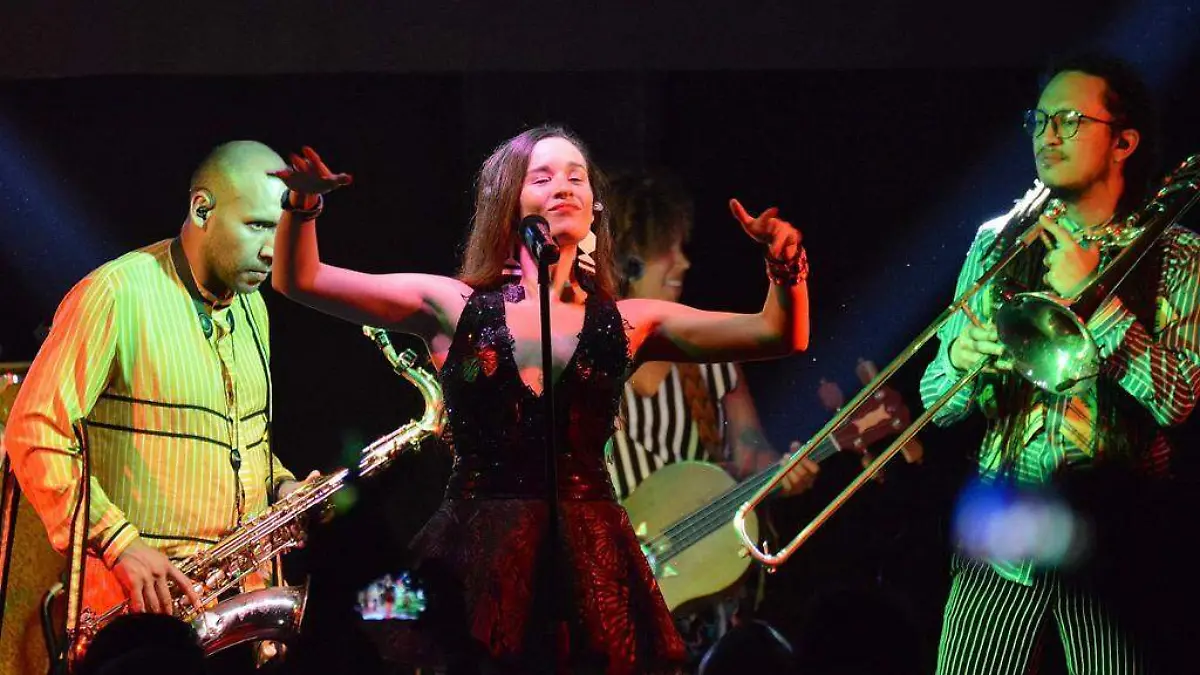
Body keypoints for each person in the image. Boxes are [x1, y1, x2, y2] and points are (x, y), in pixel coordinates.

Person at [269, 124, 810, 674]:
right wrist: (302, 205)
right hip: (476, 553)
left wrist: (785, 267)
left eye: (576, 177)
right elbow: (300, 279)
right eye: (543, 177)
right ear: (509, 202)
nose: (564, 187)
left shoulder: (628, 323)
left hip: (590, 559)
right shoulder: (453, 305)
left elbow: (778, 334)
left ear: (595, 208)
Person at [920, 54, 1200, 673]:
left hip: (1119, 539)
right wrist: (960, 363)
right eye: (1040, 119)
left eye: (1070, 120)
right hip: (1001, 535)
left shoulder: (1179, 254)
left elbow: (1179, 399)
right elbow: (935, 403)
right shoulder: (997, 241)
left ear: (1124, 141)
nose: (1048, 135)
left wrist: (1097, 303)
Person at [2, 140, 311, 669]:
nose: (270, 250)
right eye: (257, 226)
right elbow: (33, 430)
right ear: (202, 209)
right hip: (134, 618)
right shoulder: (116, 293)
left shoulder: (253, 309)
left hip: (228, 613)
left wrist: (280, 487)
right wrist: (118, 542)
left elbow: (238, 441)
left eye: (278, 230)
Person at [603, 170, 817, 669]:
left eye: (683, 247)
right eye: (667, 250)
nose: (683, 262)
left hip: (697, 611)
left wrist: (783, 472)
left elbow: (750, 452)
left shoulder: (710, 356)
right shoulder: (582, 358)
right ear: (626, 261)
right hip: (605, 599)